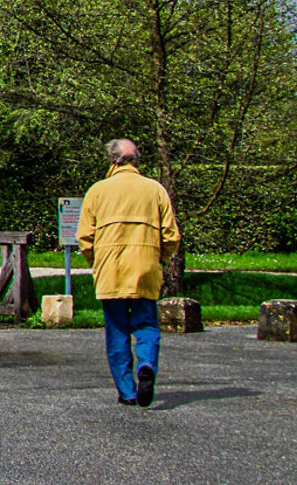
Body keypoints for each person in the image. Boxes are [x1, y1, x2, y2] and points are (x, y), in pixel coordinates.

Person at [76, 138, 181, 407]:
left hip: (111, 270)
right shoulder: (155, 190)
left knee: (117, 330)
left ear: (112, 160)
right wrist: (160, 259)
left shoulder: (98, 191)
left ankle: (127, 391)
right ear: (137, 160)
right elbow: (171, 236)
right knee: (146, 323)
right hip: (145, 267)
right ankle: (146, 364)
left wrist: (96, 262)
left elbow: (85, 237)